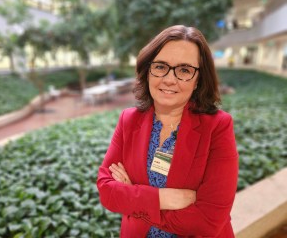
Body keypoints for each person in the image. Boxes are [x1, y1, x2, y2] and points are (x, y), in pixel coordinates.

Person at [96, 25, 238, 238]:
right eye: (161, 66)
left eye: (184, 70)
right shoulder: (129, 120)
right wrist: (162, 198)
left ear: (198, 79)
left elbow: (207, 222)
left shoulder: (217, 126)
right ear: (148, 70)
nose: (169, 79)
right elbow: (107, 191)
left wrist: (135, 200)